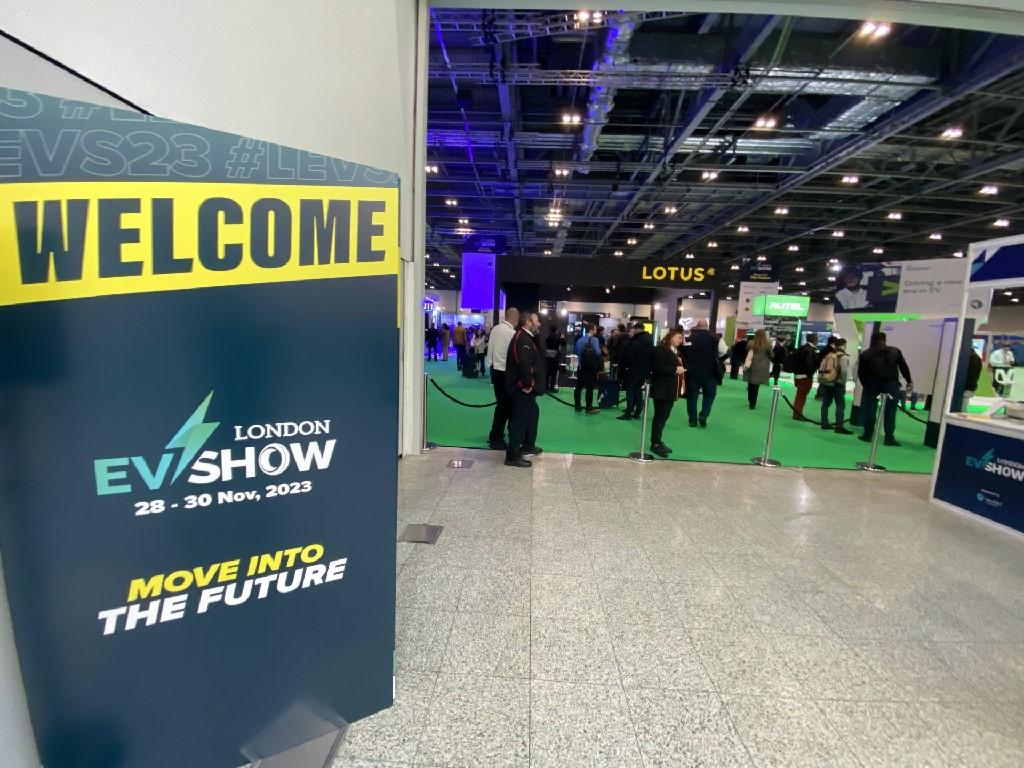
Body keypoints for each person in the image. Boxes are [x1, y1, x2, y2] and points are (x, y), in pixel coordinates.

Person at [858, 331, 913, 447]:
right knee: (890, 411)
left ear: (873, 340)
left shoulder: (866, 354)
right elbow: (903, 367)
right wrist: (909, 381)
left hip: (872, 384)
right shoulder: (895, 351)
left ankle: (867, 434)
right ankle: (889, 438)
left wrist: (866, 384)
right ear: (885, 339)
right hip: (891, 384)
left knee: (870, 410)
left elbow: (861, 372)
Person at [505, 311, 545, 468]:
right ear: (528, 321)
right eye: (537, 321)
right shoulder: (522, 339)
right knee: (519, 421)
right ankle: (512, 455)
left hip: (526, 388)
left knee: (532, 414)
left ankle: (528, 445)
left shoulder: (526, 338)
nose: (539, 324)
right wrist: (528, 385)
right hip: (521, 389)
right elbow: (524, 364)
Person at [649, 329, 686, 457]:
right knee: (660, 417)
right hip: (662, 389)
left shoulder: (675, 350)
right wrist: (675, 369)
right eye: (679, 337)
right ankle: (655, 443)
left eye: (682, 338)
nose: (681, 340)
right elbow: (657, 367)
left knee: (664, 417)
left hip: (670, 390)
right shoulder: (660, 349)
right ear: (671, 336)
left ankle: (658, 441)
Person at [486, 308, 519, 450]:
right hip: (506, 373)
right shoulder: (512, 334)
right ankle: (496, 437)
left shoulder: (495, 329)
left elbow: (490, 350)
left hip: (495, 370)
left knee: (502, 405)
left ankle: (497, 435)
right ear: (515, 318)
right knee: (505, 406)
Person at [683, 319, 719, 428]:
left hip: (693, 373)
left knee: (692, 397)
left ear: (697, 327)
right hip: (710, 373)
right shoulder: (715, 338)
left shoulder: (690, 338)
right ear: (707, 327)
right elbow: (723, 352)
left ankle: (692, 420)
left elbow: (684, 352)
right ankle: (704, 415)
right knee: (710, 395)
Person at [617, 323, 653, 420]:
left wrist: (625, 368)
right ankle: (637, 411)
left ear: (636, 329)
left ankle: (628, 412)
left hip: (633, 370)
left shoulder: (636, 341)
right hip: (644, 371)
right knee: (638, 391)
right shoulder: (649, 340)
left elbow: (629, 357)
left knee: (630, 391)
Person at [818, 338, 852, 434]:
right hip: (837, 384)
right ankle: (839, 426)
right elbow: (844, 371)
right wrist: (844, 383)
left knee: (825, 404)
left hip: (827, 382)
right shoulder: (843, 357)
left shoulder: (829, 355)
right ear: (844, 345)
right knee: (840, 405)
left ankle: (824, 423)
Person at [574, 323, 602, 414]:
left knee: (579, 387)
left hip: (581, 366)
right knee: (590, 387)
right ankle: (589, 407)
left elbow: (577, 352)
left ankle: (577, 406)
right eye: (595, 329)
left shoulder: (579, 340)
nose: (596, 330)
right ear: (591, 330)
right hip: (591, 367)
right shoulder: (594, 339)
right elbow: (598, 352)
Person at [792, 333, 819, 420]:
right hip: (805, 376)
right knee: (801, 396)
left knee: (800, 395)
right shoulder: (811, 350)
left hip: (798, 375)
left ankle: (797, 413)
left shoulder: (802, 347)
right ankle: (797, 414)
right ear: (815, 340)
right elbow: (809, 364)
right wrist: (811, 372)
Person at [743, 330, 773, 409]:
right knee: (756, 386)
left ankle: (750, 400)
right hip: (762, 368)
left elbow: (746, 352)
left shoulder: (751, 343)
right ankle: (753, 404)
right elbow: (772, 355)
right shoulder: (768, 345)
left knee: (751, 384)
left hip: (752, 366)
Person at [961, 347, 983, 412]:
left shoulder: (969, 357)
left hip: (965, 386)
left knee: (962, 408)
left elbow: (971, 374)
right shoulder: (976, 357)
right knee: (963, 406)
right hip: (969, 386)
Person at [544, 324, 563, 392]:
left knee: (548, 373)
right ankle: (552, 388)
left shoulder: (547, 337)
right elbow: (564, 343)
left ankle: (546, 387)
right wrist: (562, 337)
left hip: (548, 357)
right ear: (556, 330)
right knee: (554, 373)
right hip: (555, 358)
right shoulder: (557, 338)